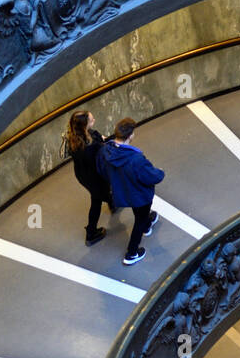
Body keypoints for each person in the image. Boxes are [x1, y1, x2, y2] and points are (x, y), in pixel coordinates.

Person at [97, 118, 165, 265]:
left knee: (139, 213)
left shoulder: (106, 150)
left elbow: (102, 170)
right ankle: (132, 253)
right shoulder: (135, 159)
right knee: (139, 220)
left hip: (123, 191)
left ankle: (147, 223)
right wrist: (161, 173)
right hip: (139, 195)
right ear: (130, 136)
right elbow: (151, 176)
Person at [61, 110, 115, 246]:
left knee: (100, 193)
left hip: (83, 174)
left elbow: (96, 136)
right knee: (96, 200)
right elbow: (100, 152)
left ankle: (111, 202)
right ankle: (91, 233)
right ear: (84, 125)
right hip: (93, 175)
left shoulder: (74, 137)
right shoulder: (88, 147)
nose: (94, 120)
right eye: (91, 120)